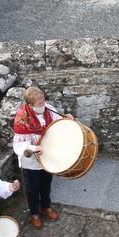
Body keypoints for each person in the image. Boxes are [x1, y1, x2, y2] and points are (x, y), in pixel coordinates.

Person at [12, 87, 72, 225]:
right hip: (31, 160)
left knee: (46, 183)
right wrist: (33, 148)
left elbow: (58, 124)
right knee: (33, 188)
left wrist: (67, 119)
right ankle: (34, 213)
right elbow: (19, 145)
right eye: (39, 103)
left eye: (43, 99)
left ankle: (46, 207)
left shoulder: (48, 109)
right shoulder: (22, 118)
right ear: (30, 104)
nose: (43, 104)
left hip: (48, 155)